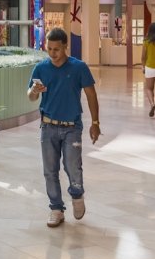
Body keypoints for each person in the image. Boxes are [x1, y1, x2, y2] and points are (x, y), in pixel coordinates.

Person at [27, 26, 100, 227]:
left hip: (72, 127)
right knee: (50, 170)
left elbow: (91, 94)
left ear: (65, 47)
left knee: (72, 167)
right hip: (48, 126)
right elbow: (31, 97)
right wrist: (34, 90)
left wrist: (95, 122)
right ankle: (56, 208)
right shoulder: (41, 68)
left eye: (56, 49)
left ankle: (77, 195)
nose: (53, 54)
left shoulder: (79, 67)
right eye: (49, 49)